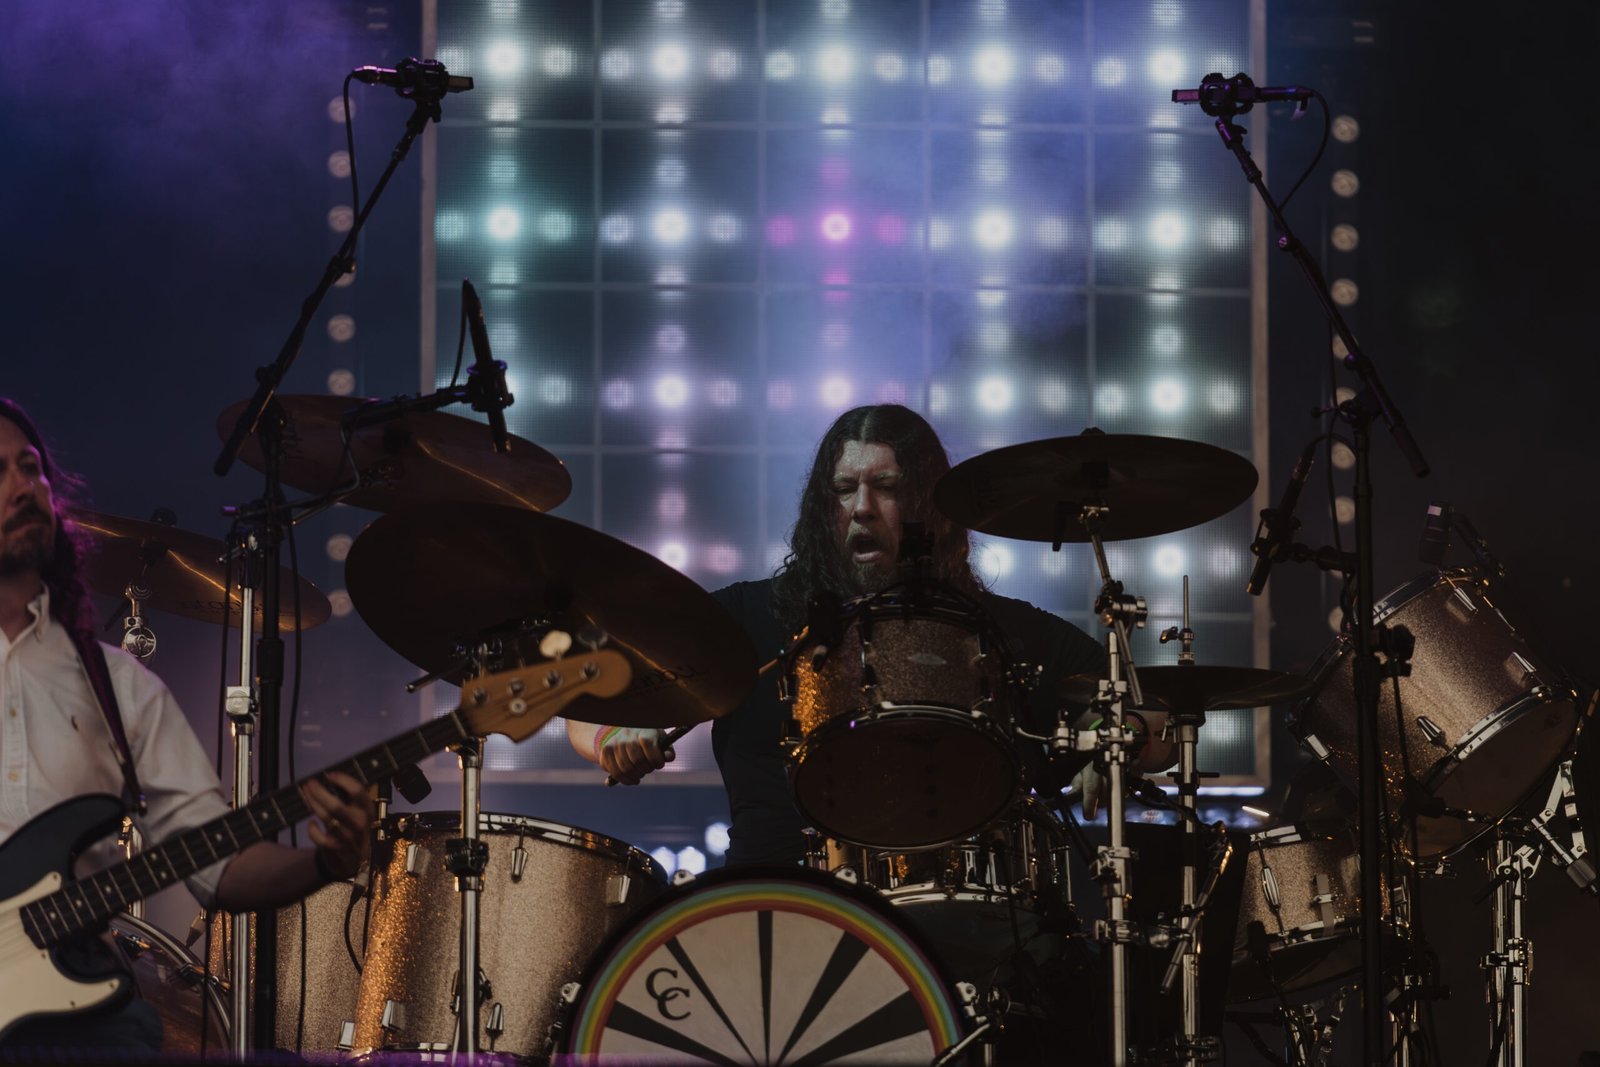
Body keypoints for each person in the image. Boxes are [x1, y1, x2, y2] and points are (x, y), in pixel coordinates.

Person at [568, 404, 1176, 863]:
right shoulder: (750, 615)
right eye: (843, 489)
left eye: (885, 488)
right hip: (769, 910)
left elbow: (1153, 723)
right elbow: (583, 683)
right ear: (822, 507)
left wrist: (1115, 740)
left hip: (961, 930)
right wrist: (615, 732)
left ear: (927, 506)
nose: (861, 507)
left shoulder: (1002, 631)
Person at [0, 397, 373, 1054]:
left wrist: (324, 860)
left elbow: (220, 867)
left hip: (73, 1006)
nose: (22, 486)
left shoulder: (118, 688)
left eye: (30, 467)